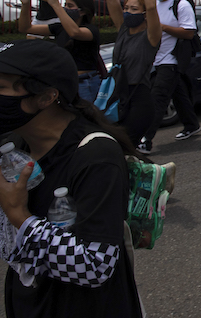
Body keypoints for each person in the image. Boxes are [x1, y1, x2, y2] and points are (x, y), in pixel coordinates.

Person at [0, 39, 143, 317]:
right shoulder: (14, 146)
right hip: (30, 301)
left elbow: (96, 265)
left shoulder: (96, 156)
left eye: (1, 87)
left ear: (46, 97)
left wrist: (20, 216)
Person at [136, 0, 200, 154]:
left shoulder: (181, 5)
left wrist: (162, 27)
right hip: (156, 58)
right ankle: (191, 124)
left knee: (158, 98)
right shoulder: (154, 4)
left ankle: (146, 140)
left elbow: (189, 32)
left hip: (171, 59)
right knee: (178, 93)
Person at [104, 0, 162, 145]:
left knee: (127, 145)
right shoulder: (123, 28)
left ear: (144, 14)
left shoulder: (151, 35)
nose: (128, 12)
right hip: (116, 93)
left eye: (134, 9)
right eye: (126, 8)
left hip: (138, 97)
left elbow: (152, 6)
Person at [17, 0, 101, 102]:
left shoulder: (91, 30)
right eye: (65, 5)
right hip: (64, 81)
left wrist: (55, 4)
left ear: (83, 12)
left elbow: (74, 33)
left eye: (70, 6)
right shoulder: (59, 28)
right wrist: (25, 3)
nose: (66, 8)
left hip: (83, 83)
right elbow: (25, 28)